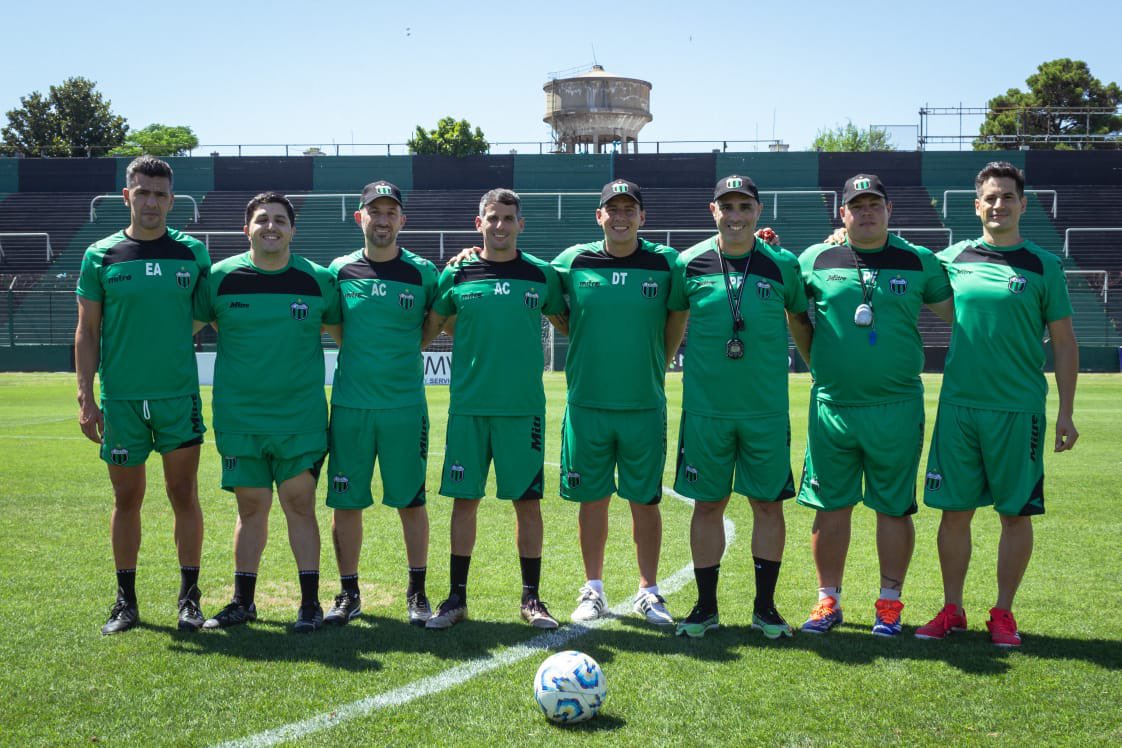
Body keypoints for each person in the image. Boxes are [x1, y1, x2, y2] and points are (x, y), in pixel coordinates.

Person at [916, 161, 1078, 648]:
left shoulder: (1043, 265)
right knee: (954, 512)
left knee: (1015, 514)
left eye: (1007, 196)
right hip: (960, 407)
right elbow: (892, 262)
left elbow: (1065, 343)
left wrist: (1066, 412)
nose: (998, 205)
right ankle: (952, 608)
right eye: (990, 197)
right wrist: (841, 235)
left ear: (1023, 204)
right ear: (976, 205)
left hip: (1019, 409)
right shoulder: (952, 258)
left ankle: (1003, 612)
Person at [794, 174, 954, 637]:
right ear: (841, 214)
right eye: (856, 206)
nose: (866, 212)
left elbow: (960, 311)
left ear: (889, 210)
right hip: (834, 407)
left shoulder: (918, 260)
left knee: (894, 508)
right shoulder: (816, 258)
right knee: (830, 506)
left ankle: (889, 602)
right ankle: (829, 599)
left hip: (896, 406)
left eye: (874, 205)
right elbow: (794, 310)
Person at [671, 176, 812, 639]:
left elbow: (799, 317)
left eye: (744, 206)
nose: (735, 215)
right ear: (713, 210)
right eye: (727, 206)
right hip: (707, 411)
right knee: (707, 505)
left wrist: (819, 371)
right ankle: (705, 607)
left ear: (759, 210)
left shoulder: (782, 264)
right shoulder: (688, 264)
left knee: (768, 506)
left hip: (765, 411)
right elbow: (672, 325)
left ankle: (765, 609)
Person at [75, 156, 210, 635]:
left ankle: (189, 600)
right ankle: (126, 601)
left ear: (172, 201)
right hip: (122, 399)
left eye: (160, 194)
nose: (151, 201)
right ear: (126, 196)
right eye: (143, 192)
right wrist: (85, 397)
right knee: (126, 497)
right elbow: (87, 331)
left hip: (178, 397)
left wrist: (171, 337)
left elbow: (204, 314)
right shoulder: (100, 255)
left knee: (183, 495)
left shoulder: (193, 253)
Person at [195, 193, 341, 633]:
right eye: (262, 220)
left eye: (280, 220)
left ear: (293, 230)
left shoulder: (318, 280)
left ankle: (310, 604)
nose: (271, 227)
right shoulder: (219, 277)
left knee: (300, 504)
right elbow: (194, 325)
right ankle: (243, 602)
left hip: (300, 417)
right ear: (247, 229)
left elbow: (342, 333)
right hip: (240, 418)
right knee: (251, 506)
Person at [421, 188, 565, 630]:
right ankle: (456, 598)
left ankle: (532, 599)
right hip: (469, 408)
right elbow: (432, 326)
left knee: (527, 504)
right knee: (464, 502)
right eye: (492, 217)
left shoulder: (541, 275)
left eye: (508, 218)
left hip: (522, 410)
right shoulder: (458, 273)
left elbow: (569, 321)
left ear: (521, 224)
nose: (499, 225)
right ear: (477, 223)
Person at [552, 179, 689, 626]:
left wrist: (658, 364)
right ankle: (593, 589)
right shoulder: (573, 261)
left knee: (644, 502)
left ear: (642, 217)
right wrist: (469, 254)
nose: (621, 216)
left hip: (643, 404)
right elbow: (534, 281)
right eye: (613, 209)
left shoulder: (666, 263)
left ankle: (648, 592)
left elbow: (676, 319)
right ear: (600, 216)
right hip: (587, 403)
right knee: (592, 500)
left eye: (630, 209)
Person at [322, 181, 439, 627]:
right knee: (346, 502)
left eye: (391, 212)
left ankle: (417, 592)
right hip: (351, 406)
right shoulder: (339, 270)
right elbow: (338, 329)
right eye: (375, 211)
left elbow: (430, 326)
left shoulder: (423, 272)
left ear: (402, 220)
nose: (383, 219)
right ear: (360, 218)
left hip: (404, 406)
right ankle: (349, 593)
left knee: (411, 500)